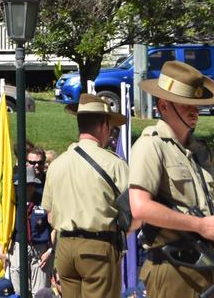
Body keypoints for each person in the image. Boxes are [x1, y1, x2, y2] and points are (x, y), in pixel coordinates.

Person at [130, 61, 214, 298]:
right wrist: (201, 225)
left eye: (197, 104)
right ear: (164, 105)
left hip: (208, 265)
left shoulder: (202, 152)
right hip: (172, 269)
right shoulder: (151, 145)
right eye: (187, 104)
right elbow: (140, 207)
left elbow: (212, 204)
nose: (195, 110)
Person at [42, 93, 129, 298]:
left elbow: (50, 215)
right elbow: (134, 209)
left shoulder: (57, 164)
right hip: (98, 247)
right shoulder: (114, 164)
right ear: (103, 125)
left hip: (64, 248)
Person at [6, 167, 52, 293]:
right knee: (19, 289)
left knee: (40, 290)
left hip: (40, 249)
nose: (27, 188)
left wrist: (50, 250)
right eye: (22, 185)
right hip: (17, 246)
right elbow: (4, 226)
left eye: (30, 185)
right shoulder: (12, 202)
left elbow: (55, 227)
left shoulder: (44, 200)